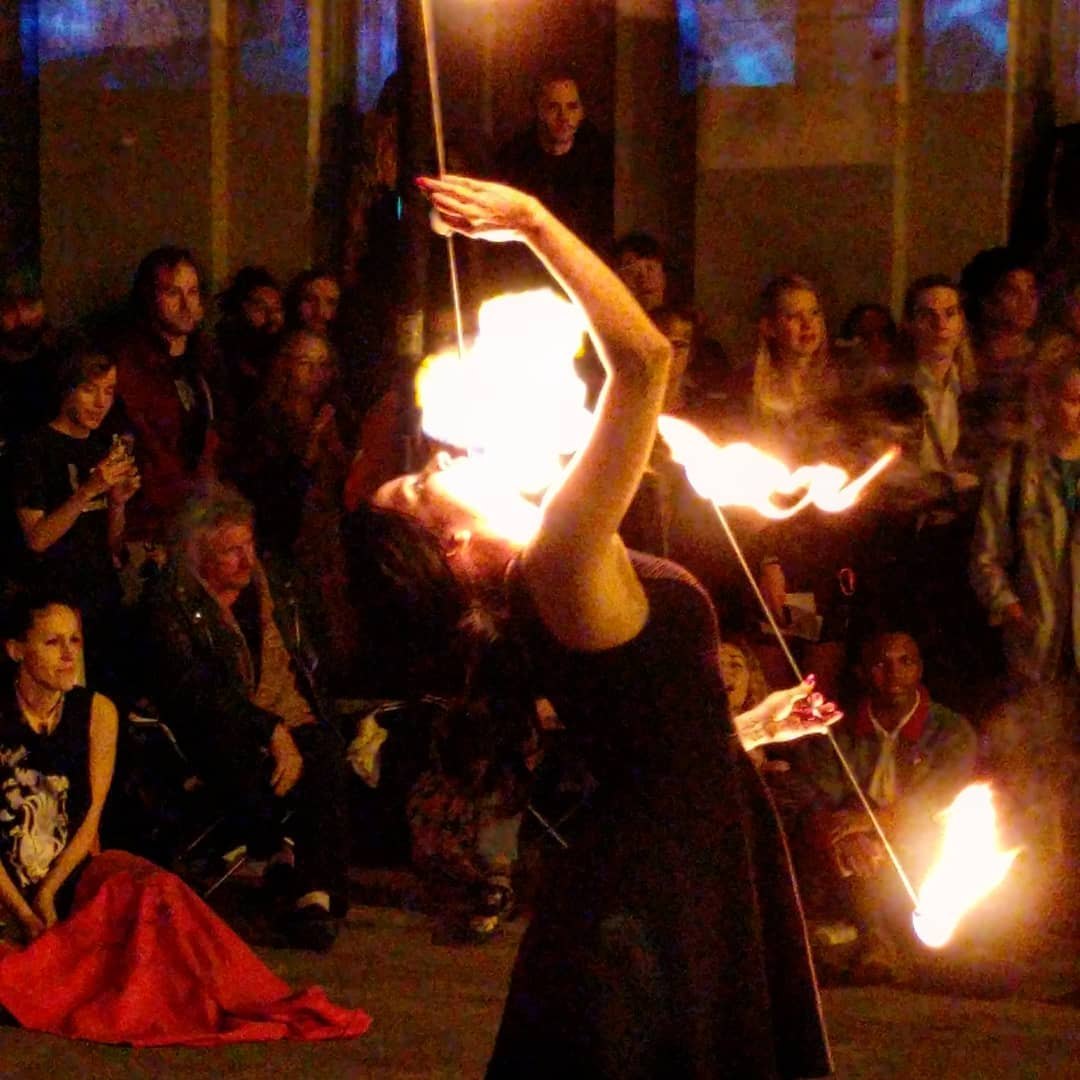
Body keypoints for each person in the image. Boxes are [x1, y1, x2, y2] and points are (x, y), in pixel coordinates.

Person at [385, 174, 834, 1078]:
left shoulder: (560, 561)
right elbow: (643, 361)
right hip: (658, 881)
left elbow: (647, 740)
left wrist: (738, 729)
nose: (454, 451)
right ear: (453, 540)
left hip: (682, 846)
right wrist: (534, 221)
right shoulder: (558, 552)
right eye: (435, 477)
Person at [0, 588, 370, 1044]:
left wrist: (50, 892)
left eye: (74, 640)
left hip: (69, 871)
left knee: (161, 894)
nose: (67, 655)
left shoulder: (95, 712)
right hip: (6, 883)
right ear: (16, 649)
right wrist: (27, 912)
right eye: (52, 642)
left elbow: (91, 815)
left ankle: (241, 995)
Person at [140, 487, 352, 950]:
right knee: (246, 761)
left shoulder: (277, 587)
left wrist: (293, 723)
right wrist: (267, 728)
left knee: (326, 755)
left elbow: (309, 658)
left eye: (248, 545)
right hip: (219, 729)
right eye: (230, 551)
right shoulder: (171, 602)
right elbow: (193, 689)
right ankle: (277, 854)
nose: (246, 560)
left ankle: (312, 892)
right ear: (198, 554)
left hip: (288, 715)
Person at [792, 631, 977, 981]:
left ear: (919, 668)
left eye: (905, 662)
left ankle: (915, 943)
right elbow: (819, 793)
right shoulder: (836, 729)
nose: (894, 673)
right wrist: (845, 834)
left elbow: (939, 796)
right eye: (881, 664)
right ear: (862, 672)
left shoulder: (950, 730)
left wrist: (873, 821)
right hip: (858, 840)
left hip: (921, 836)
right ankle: (875, 940)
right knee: (849, 852)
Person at [11, 337, 139, 693]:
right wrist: (86, 491)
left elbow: (112, 547)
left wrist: (118, 502)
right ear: (67, 388)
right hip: (58, 606)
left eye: (109, 391)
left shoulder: (100, 448)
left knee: (111, 700)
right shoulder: (34, 450)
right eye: (89, 390)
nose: (101, 402)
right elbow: (37, 538)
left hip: (102, 600)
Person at [111, 247, 226, 546]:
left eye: (193, 292)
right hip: (149, 525)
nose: (186, 304)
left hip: (199, 518)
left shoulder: (205, 362)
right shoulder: (130, 367)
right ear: (149, 298)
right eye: (173, 293)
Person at [215, 265, 285, 416]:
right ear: (238, 311)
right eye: (260, 309)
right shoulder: (218, 361)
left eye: (276, 309)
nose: (271, 317)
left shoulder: (286, 360)